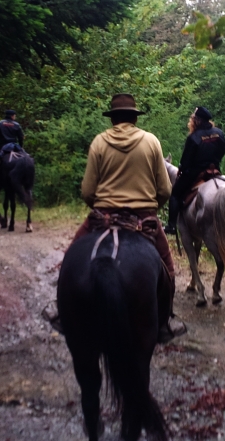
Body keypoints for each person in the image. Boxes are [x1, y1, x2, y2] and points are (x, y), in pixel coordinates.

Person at [45, 93, 186, 343]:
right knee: (167, 267)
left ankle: (60, 310)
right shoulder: (151, 142)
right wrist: (153, 209)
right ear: (134, 117)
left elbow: (88, 191)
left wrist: (100, 207)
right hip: (143, 218)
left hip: (104, 216)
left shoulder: (99, 142)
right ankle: (165, 322)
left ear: (112, 119)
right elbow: (165, 190)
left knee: (70, 258)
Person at [164, 106, 225, 235]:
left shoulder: (193, 137)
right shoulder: (219, 133)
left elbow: (186, 161)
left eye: (193, 118)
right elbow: (223, 149)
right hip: (214, 170)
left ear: (197, 120)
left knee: (175, 194)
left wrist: (182, 169)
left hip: (196, 173)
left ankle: (171, 226)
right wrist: (214, 162)